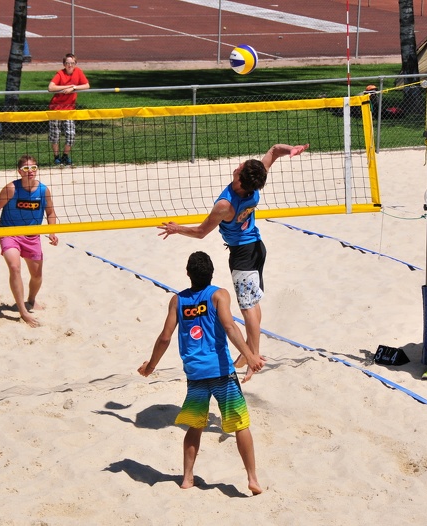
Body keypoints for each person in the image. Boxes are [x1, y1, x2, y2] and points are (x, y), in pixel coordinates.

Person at [157, 143, 309, 371]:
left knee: (248, 308)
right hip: (257, 248)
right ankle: (248, 353)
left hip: (243, 256)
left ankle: (252, 356)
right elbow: (274, 149)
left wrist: (178, 229)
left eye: (241, 165)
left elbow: (200, 233)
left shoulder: (225, 205)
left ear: (240, 177)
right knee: (253, 303)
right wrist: (291, 150)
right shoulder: (255, 183)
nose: (239, 164)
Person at [138, 251, 266, 494]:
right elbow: (230, 327)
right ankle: (252, 478)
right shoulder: (219, 295)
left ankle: (187, 478)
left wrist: (151, 366)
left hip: (195, 375)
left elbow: (165, 337)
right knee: (241, 426)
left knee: (195, 427)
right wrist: (250, 356)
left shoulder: (178, 300)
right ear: (212, 273)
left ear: (188, 274)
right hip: (221, 373)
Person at [0, 155, 59, 328]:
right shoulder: (11, 188)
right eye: (26, 169)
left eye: (33, 168)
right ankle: (23, 312)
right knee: (14, 267)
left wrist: (52, 231)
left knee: (37, 276)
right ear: (19, 171)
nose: (30, 171)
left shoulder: (43, 190)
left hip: (32, 236)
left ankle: (31, 300)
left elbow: (51, 213)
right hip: (9, 233)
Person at [47, 53, 90, 166]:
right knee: (55, 134)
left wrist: (74, 87)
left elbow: (86, 85)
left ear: (75, 64)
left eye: (72, 63)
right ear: (64, 64)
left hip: (69, 109)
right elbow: (51, 87)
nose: (70, 65)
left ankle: (65, 156)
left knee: (71, 133)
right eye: (67, 63)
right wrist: (66, 87)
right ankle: (56, 157)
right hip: (55, 108)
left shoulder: (78, 72)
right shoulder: (60, 74)